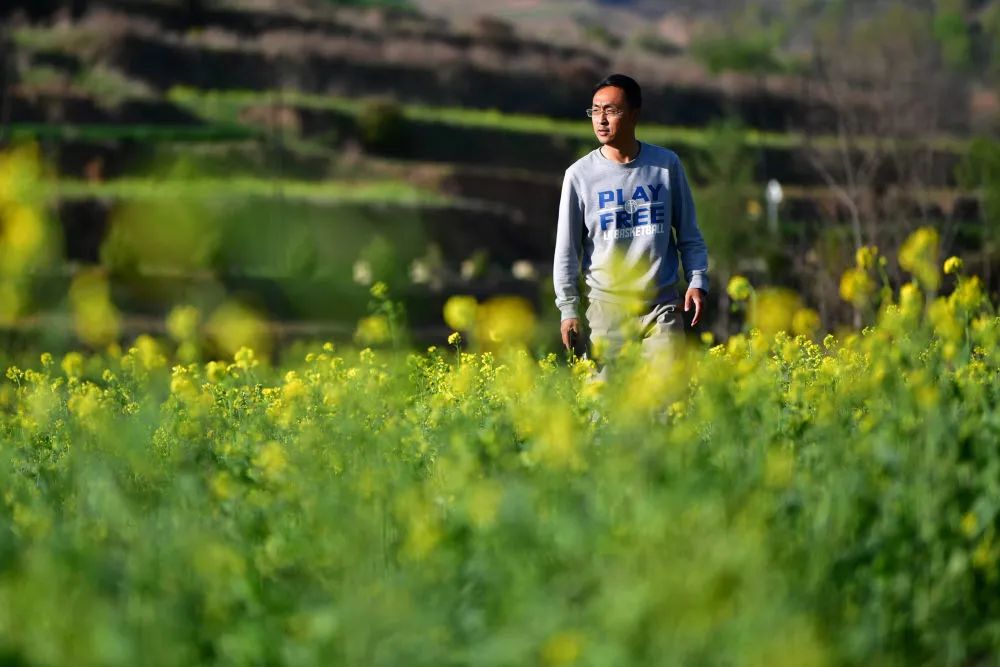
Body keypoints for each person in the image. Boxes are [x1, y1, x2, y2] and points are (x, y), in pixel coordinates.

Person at [553, 73, 709, 369]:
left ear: (634, 114)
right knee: (607, 408)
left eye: (611, 110)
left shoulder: (666, 166)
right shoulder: (579, 175)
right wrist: (568, 309)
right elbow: (567, 251)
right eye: (595, 111)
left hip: (661, 307)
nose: (601, 119)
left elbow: (689, 233)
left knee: (667, 404)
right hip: (606, 311)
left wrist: (697, 280)